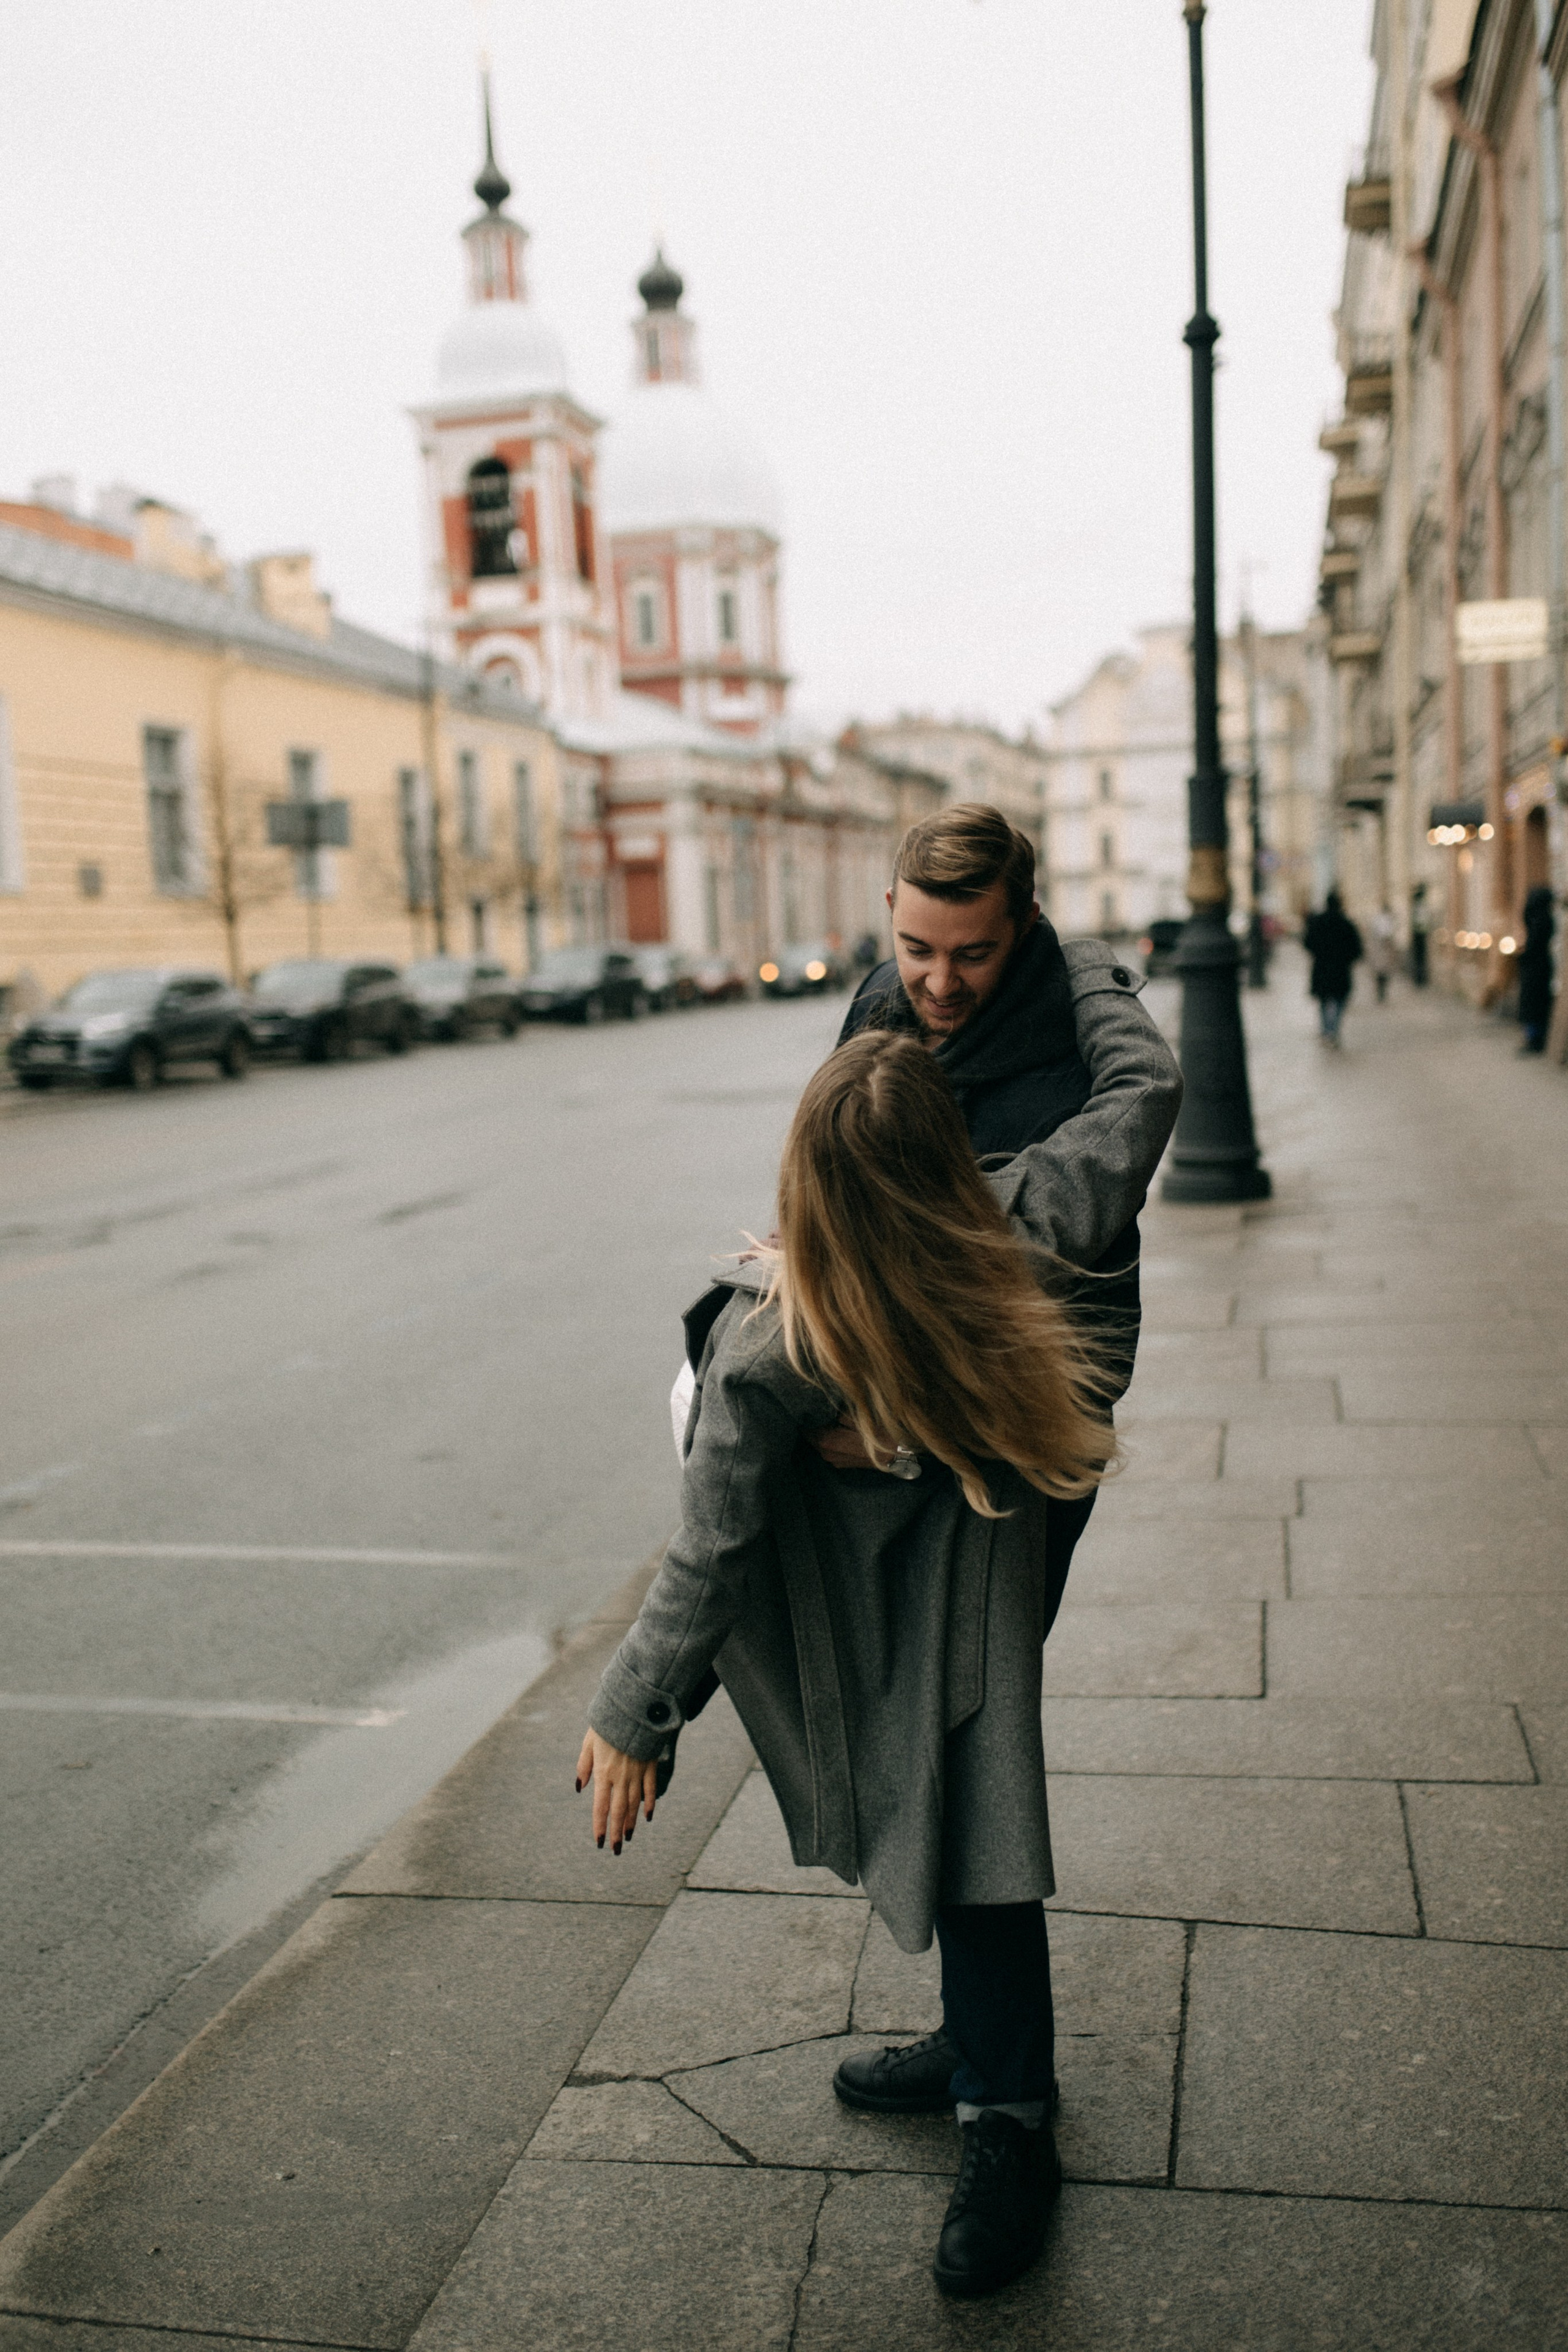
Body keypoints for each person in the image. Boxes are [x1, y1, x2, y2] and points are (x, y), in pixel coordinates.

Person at [581, 1033, 1118, 2300]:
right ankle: (981, 2050)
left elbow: (1074, 1446)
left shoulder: (999, 1278)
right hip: (828, 1588)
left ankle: (1007, 2116)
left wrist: (907, 1449)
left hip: (978, 1554)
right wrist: (639, 1708)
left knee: (980, 1797)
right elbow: (710, 1550)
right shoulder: (765, 1350)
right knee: (929, 1795)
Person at [1303, 889, 1363, 1045]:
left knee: (1324, 1000)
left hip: (1322, 968)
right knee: (1339, 1000)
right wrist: (1347, 959)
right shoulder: (1346, 923)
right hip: (1340, 969)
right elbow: (1357, 948)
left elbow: (1308, 943)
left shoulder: (1318, 922)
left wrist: (1319, 953)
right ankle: (1333, 1030)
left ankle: (1326, 1030)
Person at [1517, 884, 1556, 1054]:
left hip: (1535, 969)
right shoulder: (1544, 918)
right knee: (1535, 1005)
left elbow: (1533, 946)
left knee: (1534, 1005)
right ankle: (1534, 1038)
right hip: (1540, 967)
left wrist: (1523, 956)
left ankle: (1535, 1040)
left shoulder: (1538, 920)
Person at [1370, 904, 1397, 1004]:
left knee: (1382, 973)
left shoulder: (1380, 919)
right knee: (1382, 973)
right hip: (1382, 951)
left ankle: (1381, 993)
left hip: (1382, 952)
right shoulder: (1386, 920)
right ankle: (1382, 993)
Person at [1409, 881, 1430, 987]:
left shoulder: (1417, 906)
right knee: (1420, 958)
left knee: (1419, 958)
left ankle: (1419, 978)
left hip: (1418, 935)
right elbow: (1422, 922)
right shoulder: (1420, 906)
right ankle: (1419, 979)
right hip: (1420, 935)